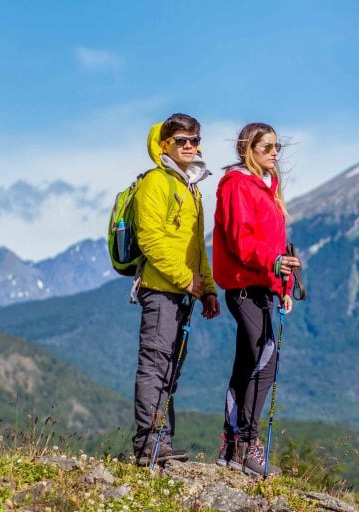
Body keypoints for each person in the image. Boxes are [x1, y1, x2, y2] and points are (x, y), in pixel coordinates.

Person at [132, 113, 221, 465]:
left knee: (171, 368)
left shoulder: (190, 187)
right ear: (165, 144)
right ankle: (149, 445)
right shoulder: (155, 182)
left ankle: (161, 442)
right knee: (155, 365)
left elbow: (197, 245)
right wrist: (187, 280)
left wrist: (208, 288)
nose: (189, 146)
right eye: (182, 140)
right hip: (160, 290)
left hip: (185, 292)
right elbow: (150, 239)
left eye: (194, 140)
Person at [212, 122, 300, 476]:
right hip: (244, 287)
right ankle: (245, 443)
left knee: (252, 361)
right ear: (249, 149)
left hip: (264, 287)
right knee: (263, 359)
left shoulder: (269, 188)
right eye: (267, 147)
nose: (275, 153)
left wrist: (284, 286)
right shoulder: (237, 185)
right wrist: (273, 263)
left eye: (277, 147)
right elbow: (239, 240)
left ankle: (234, 446)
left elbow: (278, 248)